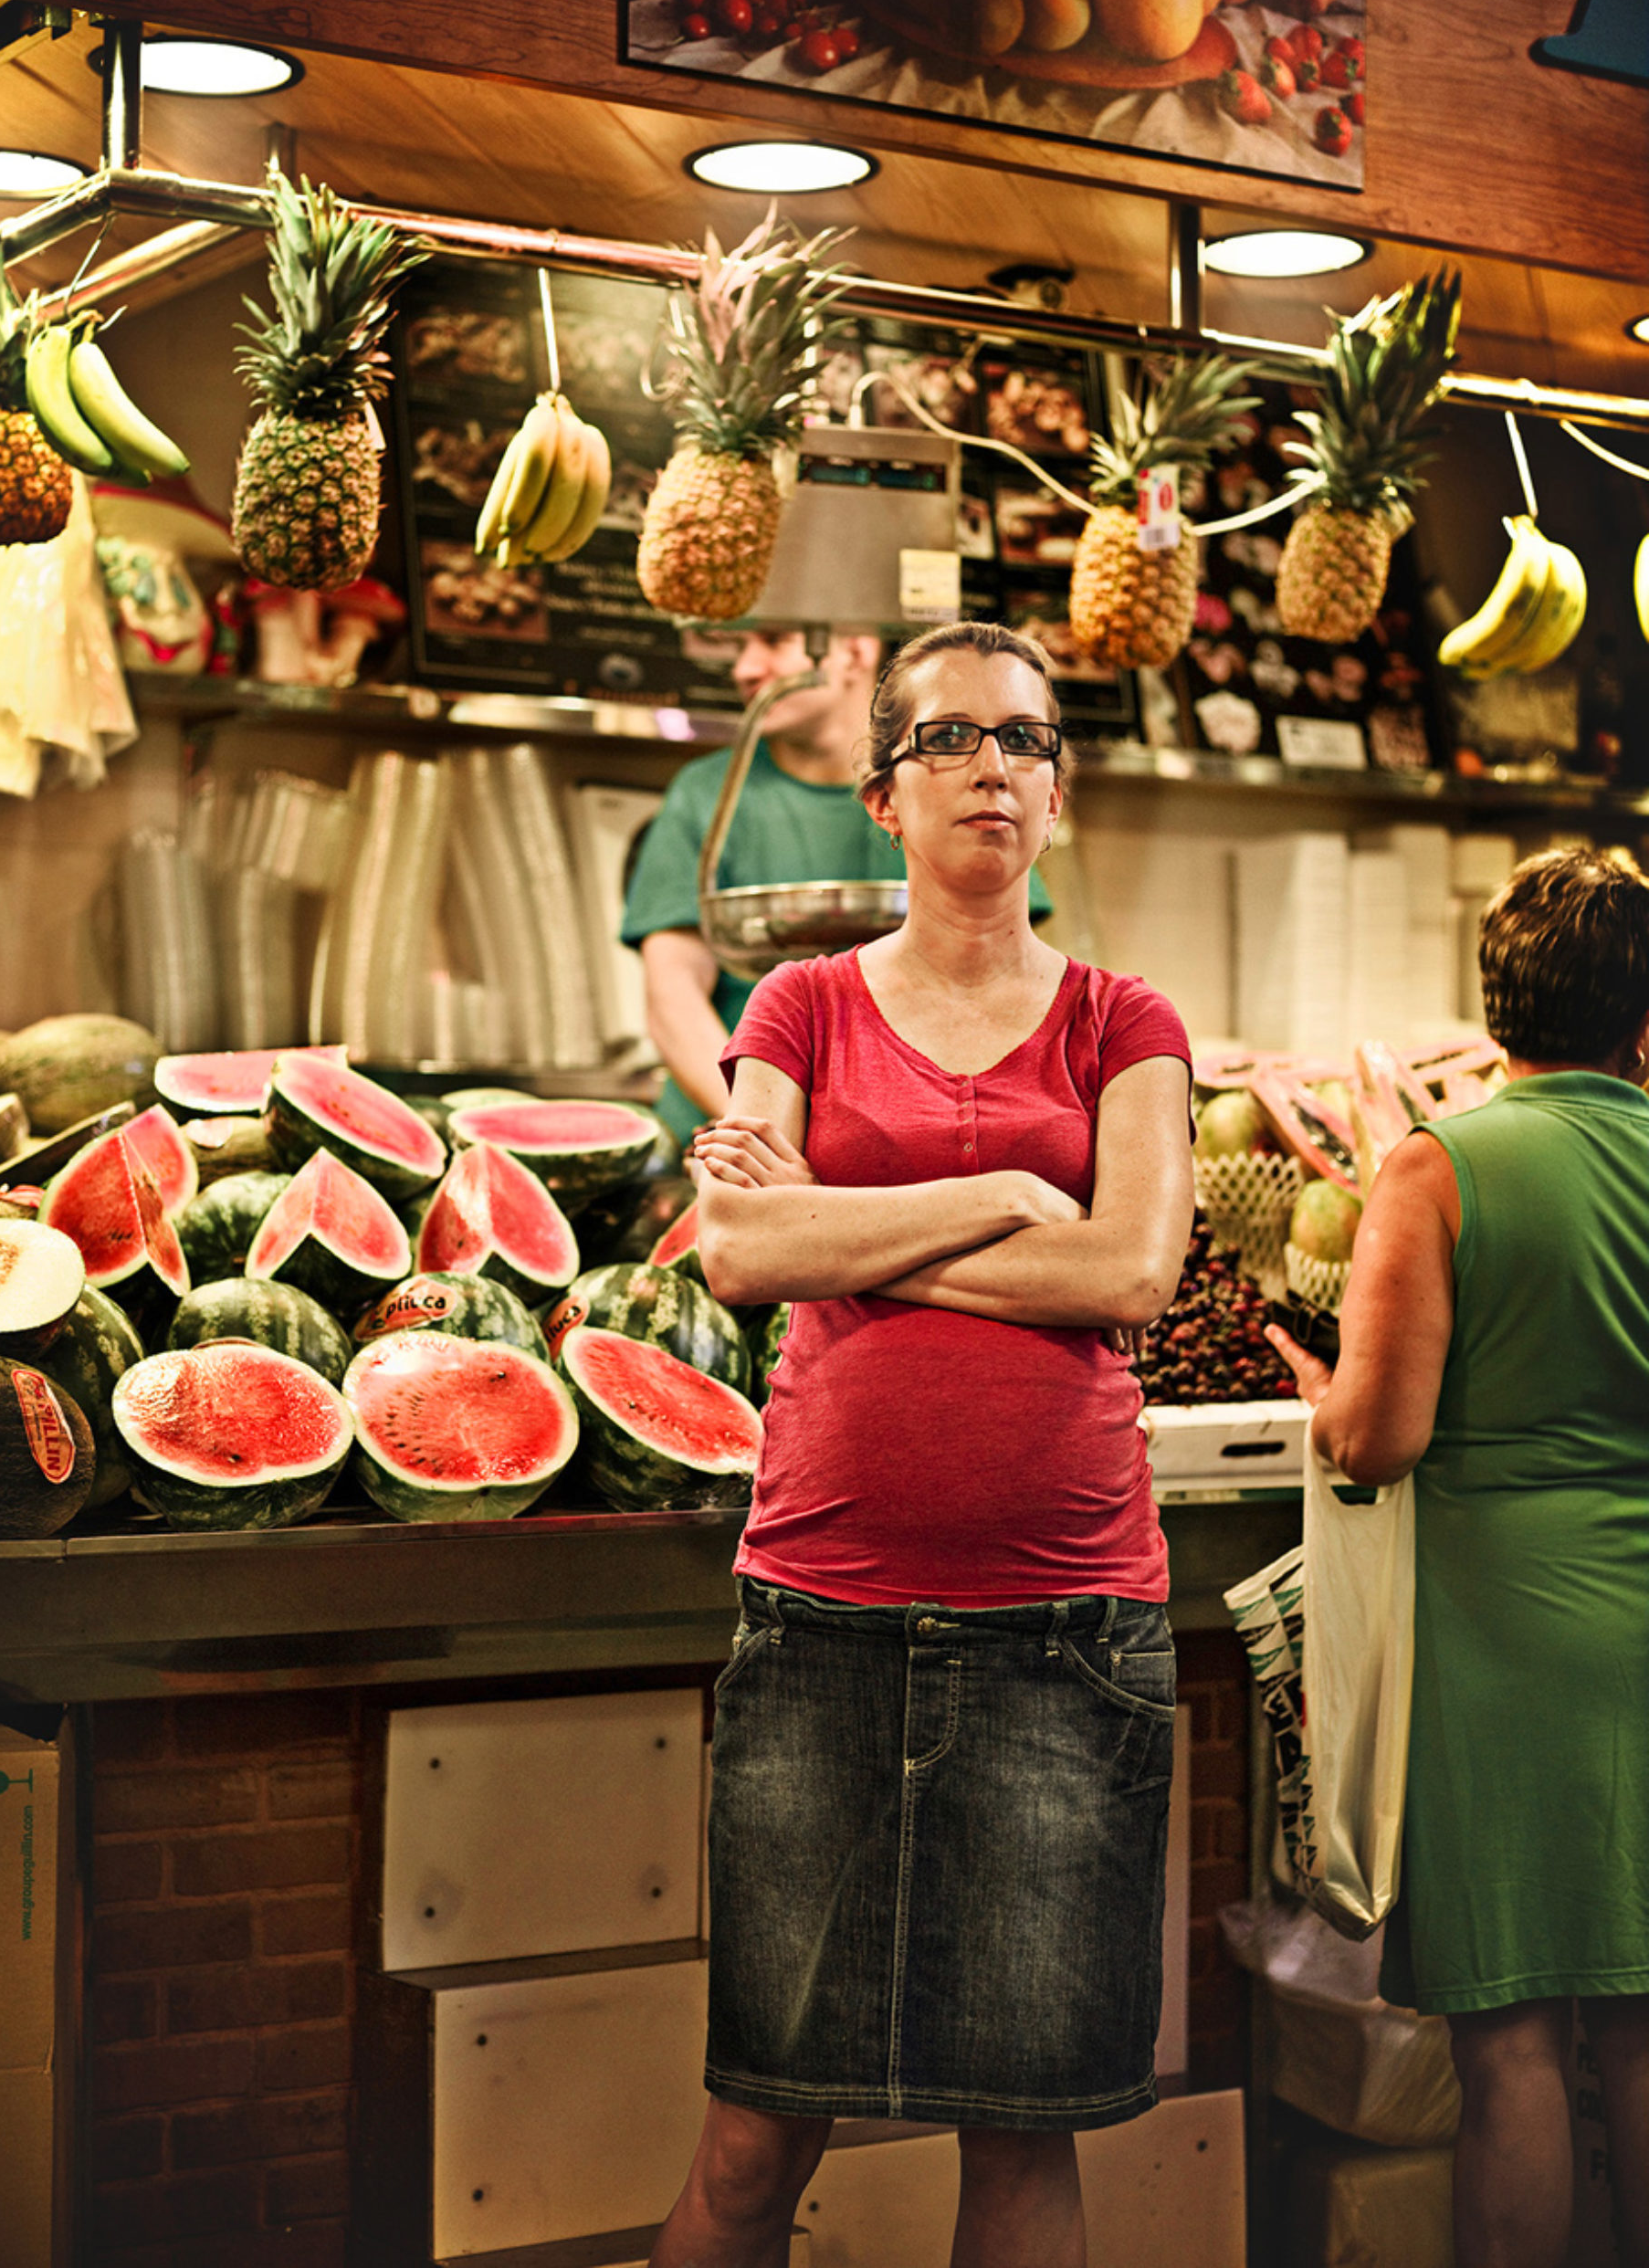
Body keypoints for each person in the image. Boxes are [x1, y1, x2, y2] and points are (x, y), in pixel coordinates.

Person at [645, 621, 1197, 2268]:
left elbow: (1133, 1269)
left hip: (1068, 1636)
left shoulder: (1122, 1017)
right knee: (753, 2141)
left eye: (1025, 741)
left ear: (1060, 795)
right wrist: (1002, 1193)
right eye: (951, 739)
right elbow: (737, 1253)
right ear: (886, 796)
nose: (992, 767)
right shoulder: (800, 1003)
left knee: (1024, 2156)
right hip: (823, 1621)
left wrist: (850, 1225)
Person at [1267, 846, 1649, 2268]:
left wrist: (1318, 1388)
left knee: (1517, 2049)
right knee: (1644, 2030)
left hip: (1506, 1648)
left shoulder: (1438, 1168)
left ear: (1497, 1010)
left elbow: (1372, 1439)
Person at [621, 623, 1051, 1146]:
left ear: (854, 649)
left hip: (898, 1136)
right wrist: (761, 1133)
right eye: (738, 648)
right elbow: (673, 995)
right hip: (730, 1124)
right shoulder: (706, 793)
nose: (745, 669)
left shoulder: (949, 792)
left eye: (773, 641)